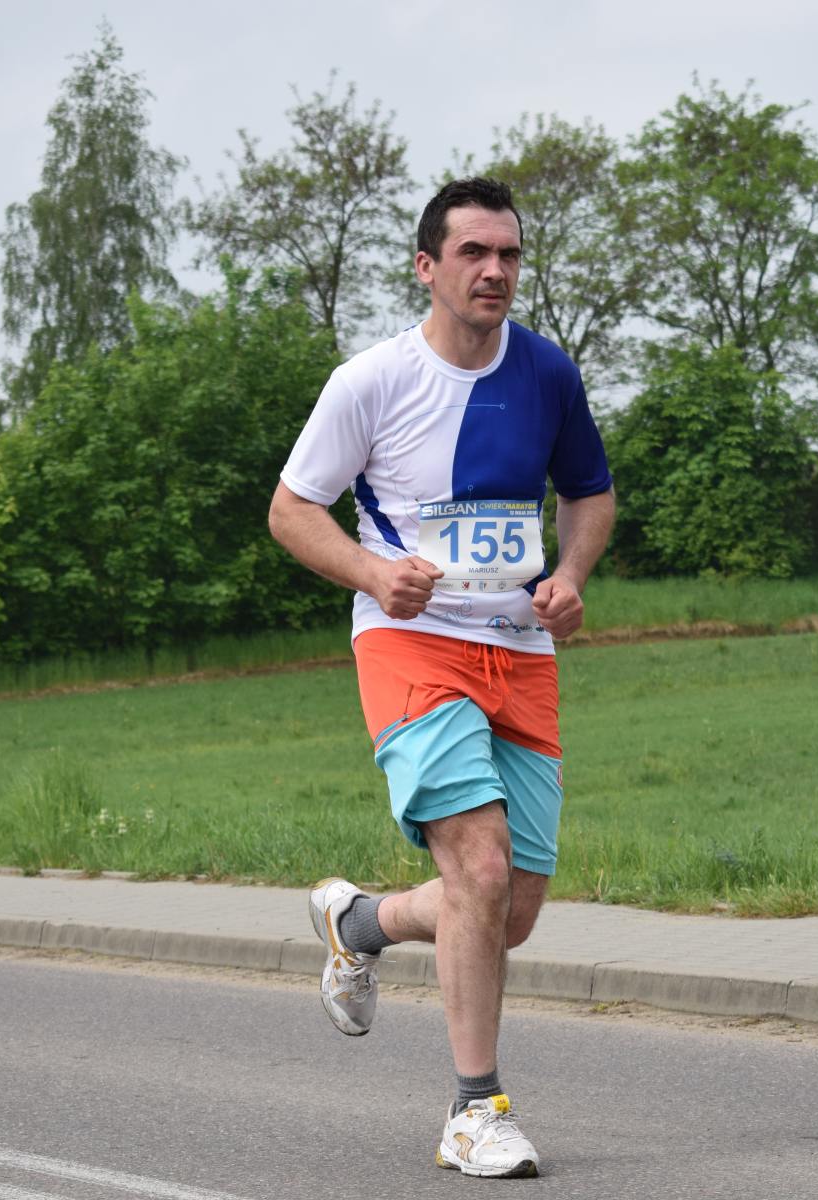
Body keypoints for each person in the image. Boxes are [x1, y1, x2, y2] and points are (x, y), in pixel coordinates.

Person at [268, 177, 615, 1179]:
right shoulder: (372, 381)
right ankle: (474, 1110)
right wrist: (374, 573)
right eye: (473, 252)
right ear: (427, 266)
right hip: (410, 644)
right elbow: (292, 510)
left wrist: (571, 576)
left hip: (521, 651)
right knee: (481, 870)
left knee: (510, 912)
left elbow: (589, 495)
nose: (494, 270)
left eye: (508, 254)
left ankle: (360, 922)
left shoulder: (547, 373)